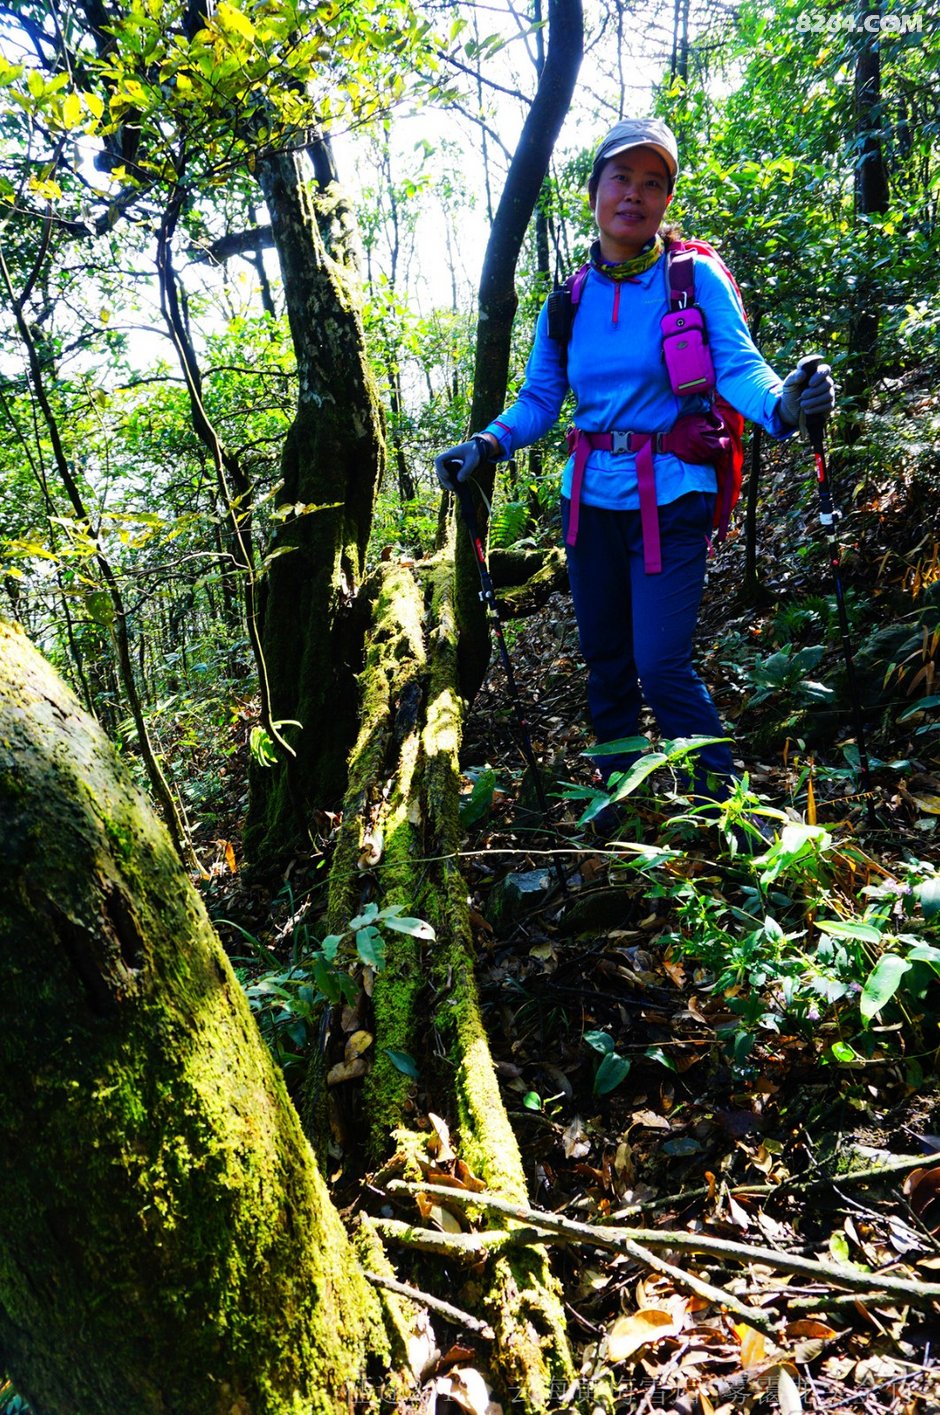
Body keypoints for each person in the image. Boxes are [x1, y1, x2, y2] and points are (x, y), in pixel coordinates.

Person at [435, 117, 835, 807]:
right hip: (590, 502)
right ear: (593, 191)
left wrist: (787, 406)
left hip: (674, 494)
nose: (635, 194)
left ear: (666, 201)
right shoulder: (567, 301)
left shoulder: (693, 277)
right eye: (621, 177)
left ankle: (729, 809)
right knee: (608, 665)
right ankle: (620, 801)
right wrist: (487, 443)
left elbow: (739, 367)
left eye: (654, 182)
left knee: (661, 663)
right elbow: (540, 396)